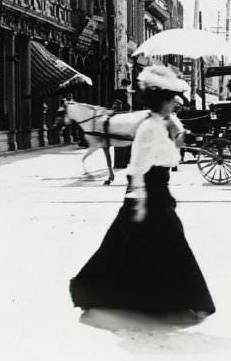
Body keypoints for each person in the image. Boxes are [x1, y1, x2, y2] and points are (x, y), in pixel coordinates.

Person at [70, 65, 215, 319]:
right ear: (162, 103)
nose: (175, 104)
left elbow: (169, 153)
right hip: (148, 191)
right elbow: (137, 165)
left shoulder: (162, 123)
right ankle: (186, 298)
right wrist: (137, 201)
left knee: (136, 244)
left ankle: (106, 291)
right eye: (172, 101)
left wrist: (177, 137)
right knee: (164, 242)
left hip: (158, 189)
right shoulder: (149, 127)